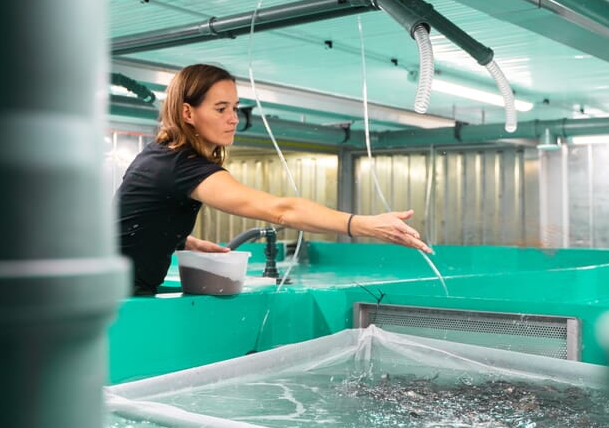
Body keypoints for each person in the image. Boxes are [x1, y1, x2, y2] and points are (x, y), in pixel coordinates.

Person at [114, 63, 432, 296]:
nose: (233, 118)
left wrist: (182, 240)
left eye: (235, 108)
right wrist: (364, 225)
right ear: (187, 113)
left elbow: (132, 217)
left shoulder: (162, 156)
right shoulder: (177, 164)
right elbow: (280, 210)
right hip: (113, 296)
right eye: (221, 108)